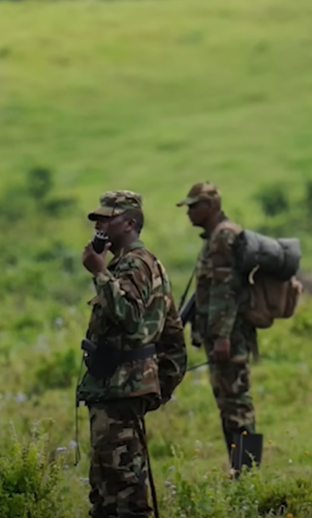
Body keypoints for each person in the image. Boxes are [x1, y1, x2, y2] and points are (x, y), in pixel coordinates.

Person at [76, 190, 187, 518]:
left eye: (106, 219)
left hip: (121, 389)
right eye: (97, 220)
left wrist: (99, 272)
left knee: (123, 489)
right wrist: (155, 386)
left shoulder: (135, 264)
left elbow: (129, 317)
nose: (99, 225)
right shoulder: (137, 264)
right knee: (106, 488)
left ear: (129, 224)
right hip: (116, 388)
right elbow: (173, 336)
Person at [176, 181, 262, 475]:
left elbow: (227, 290)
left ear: (210, 206)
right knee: (228, 405)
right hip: (221, 336)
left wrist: (222, 336)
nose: (188, 212)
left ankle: (248, 473)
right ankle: (241, 471)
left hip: (229, 337)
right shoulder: (214, 238)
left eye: (193, 206)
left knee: (237, 405)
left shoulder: (224, 237)